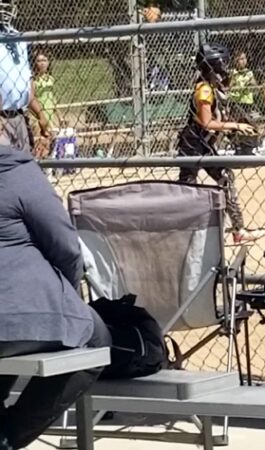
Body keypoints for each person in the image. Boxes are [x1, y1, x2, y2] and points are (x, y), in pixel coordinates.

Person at [0, 139, 111, 450]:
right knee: (96, 336)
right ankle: (10, 433)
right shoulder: (17, 172)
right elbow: (65, 245)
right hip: (25, 312)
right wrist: (69, 293)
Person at [176, 43, 262, 245]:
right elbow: (206, 122)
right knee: (187, 187)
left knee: (225, 177)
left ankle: (238, 230)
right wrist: (235, 126)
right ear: (214, 66)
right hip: (193, 144)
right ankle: (183, 231)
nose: (226, 68)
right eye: (223, 64)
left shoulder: (211, 87)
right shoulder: (204, 90)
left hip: (203, 143)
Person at [0, 0, 51, 154]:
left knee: (23, 166)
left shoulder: (19, 39)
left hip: (19, 116)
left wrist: (41, 116)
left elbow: (27, 90)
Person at [31, 51, 59, 159]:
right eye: (39, 61)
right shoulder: (33, 80)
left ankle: (49, 169)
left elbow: (53, 98)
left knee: (51, 142)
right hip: (39, 114)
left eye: (44, 60)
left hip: (50, 112)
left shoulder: (50, 79)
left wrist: (59, 116)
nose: (42, 63)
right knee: (40, 143)